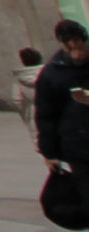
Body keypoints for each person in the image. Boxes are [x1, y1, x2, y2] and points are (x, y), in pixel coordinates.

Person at [35, 18, 89, 172]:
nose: (76, 55)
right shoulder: (52, 73)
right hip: (78, 148)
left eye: (80, 48)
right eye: (70, 49)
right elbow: (46, 115)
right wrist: (49, 152)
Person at [16, 46, 46, 138]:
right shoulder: (48, 73)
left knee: (38, 137)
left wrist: (24, 113)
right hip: (51, 108)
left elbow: (16, 99)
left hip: (32, 111)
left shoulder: (19, 78)